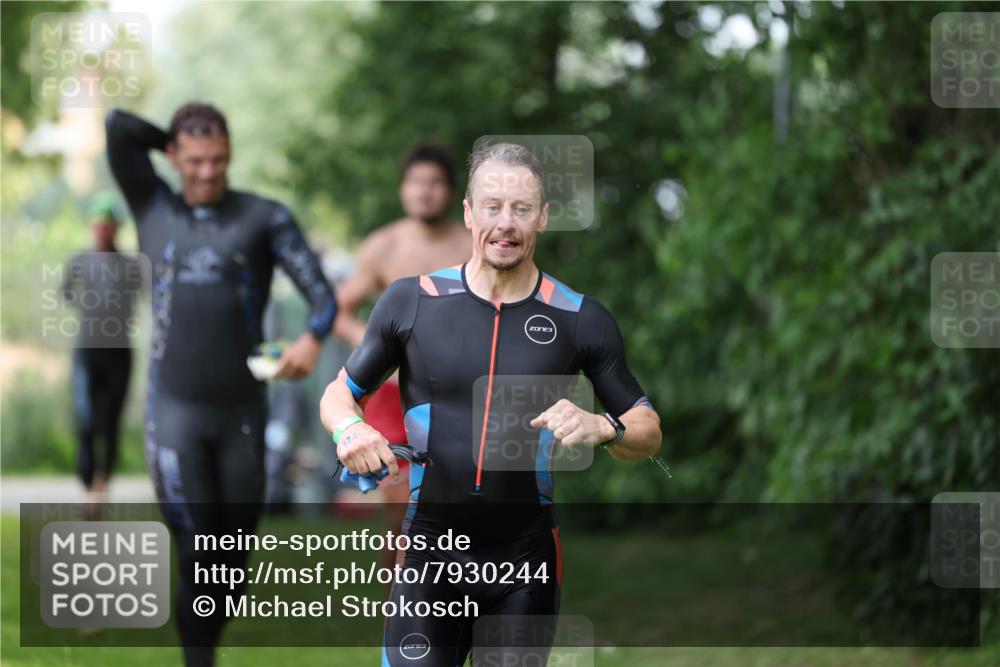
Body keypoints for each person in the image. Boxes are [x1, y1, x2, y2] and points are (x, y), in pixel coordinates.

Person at [319, 142, 661, 665]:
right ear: (468, 213)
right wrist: (350, 430)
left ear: (543, 217)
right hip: (429, 556)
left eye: (522, 208)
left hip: (524, 562)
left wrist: (605, 426)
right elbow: (339, 393)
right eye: (493, 206)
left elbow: (648, 429)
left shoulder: (580, 318)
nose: (506, 223)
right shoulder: (411, 301)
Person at [105, 104, 337, 667]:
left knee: (230, 564)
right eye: (195, 161)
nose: (207, 172)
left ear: (230, 155)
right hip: (174, 415)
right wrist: (171, 141)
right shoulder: (152, 204)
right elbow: (117, 125)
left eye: (218, 160)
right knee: (198, 547)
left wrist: (308, 343)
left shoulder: (263, 217)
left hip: (241, 414)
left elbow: (322, 298)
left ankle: (203, 647)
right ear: (176, 158)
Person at [332, 143, 470, 566]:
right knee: (401, 505)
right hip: (393, 395)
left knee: (454, 503)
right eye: (416, 182)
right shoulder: (383, 247)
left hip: (458, 389)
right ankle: (404, 605)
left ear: (450, 192)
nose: (424, 191)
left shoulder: (474, 244)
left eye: (434, 183)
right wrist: (381, 351)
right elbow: (337, 311)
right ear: (403, 190)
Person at [63, 191, 142, 507]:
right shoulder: (80, 261)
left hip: (119, 351)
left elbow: (139, 299)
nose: (102, 231)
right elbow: (67, 292)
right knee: (85, 418)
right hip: (87, 349)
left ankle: (101, 483)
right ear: (91, 227)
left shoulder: (129, 265)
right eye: (98, 224)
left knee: (111, 420)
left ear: (116, 229)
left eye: (108, 225)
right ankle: (86, 483)